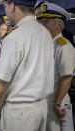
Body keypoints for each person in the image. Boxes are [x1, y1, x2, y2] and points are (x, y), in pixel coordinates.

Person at [0, 0, 54, 131]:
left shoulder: (14, 37)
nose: (6, 11)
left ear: (12, 6)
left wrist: (1, 110)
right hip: (43, 107)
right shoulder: (45, 33)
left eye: (5, 6)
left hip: (19, 112)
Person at [37, 3, 75, 131]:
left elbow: (67, 77)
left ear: (59, 25)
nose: (42, 24)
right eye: (41, 21)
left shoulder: (63, 46)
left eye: (47, 21)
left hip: (58, 102)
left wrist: (57, 104)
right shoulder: (45, 44)